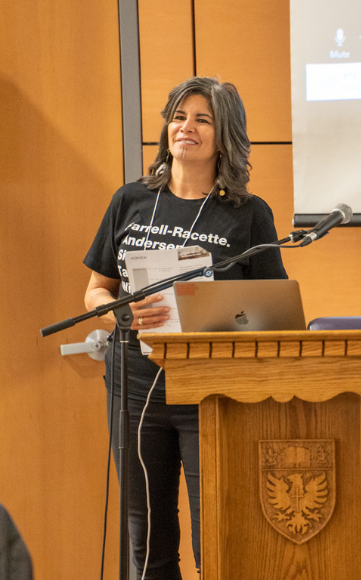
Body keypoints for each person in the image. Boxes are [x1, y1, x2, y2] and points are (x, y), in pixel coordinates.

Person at [83, 77, 287, 578]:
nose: (186, 127)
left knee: (217, 535)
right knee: (147, 538)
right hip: (134, 386)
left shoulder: (248, 214)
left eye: (202, 119)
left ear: (226, 135)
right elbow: (94, 292)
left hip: (212, 392)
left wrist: (218, 311)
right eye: (178, 116)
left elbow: (274, 313)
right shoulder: (129, 200)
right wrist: (123, 313)